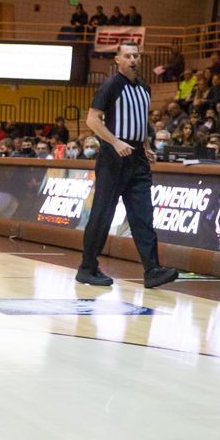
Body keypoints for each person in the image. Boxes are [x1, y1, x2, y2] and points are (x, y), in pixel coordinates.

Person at [76, 41, 178, 290]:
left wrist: (145, 146)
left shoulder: (144, 87)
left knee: (143, 214)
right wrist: (114, 141)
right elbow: (92, 119)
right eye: (128, 56)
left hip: (137, 158)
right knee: (102, 213)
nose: (133, 60)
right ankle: (87, 268)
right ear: (117, 60)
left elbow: (141, 121)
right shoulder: (111, 86)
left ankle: (152, 270)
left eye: (136, 55)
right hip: (113, 157)